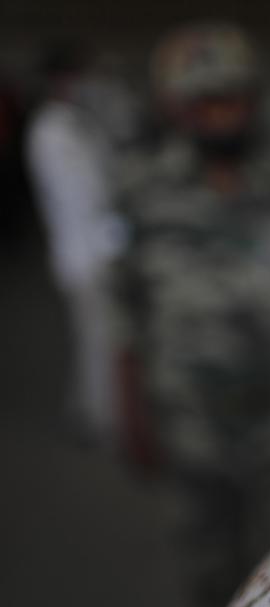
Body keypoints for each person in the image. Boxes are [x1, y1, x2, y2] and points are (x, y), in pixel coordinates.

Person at [115, 23, 270, 607]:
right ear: (176, 107)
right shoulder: (142, 190)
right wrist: (131, 412)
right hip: (190, 425)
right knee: (211, 586)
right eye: (204, 101)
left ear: (255, 99)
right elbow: (127, 313)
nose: (220, 115)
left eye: (232, 97)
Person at [25, 43, 131, 442]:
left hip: (90, 246)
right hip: (86, 252)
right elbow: (85, 195)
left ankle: (91, 409)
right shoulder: (53, 130)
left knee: (95, 339)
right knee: (99, 340)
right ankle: (99, 419)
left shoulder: (70, 122)